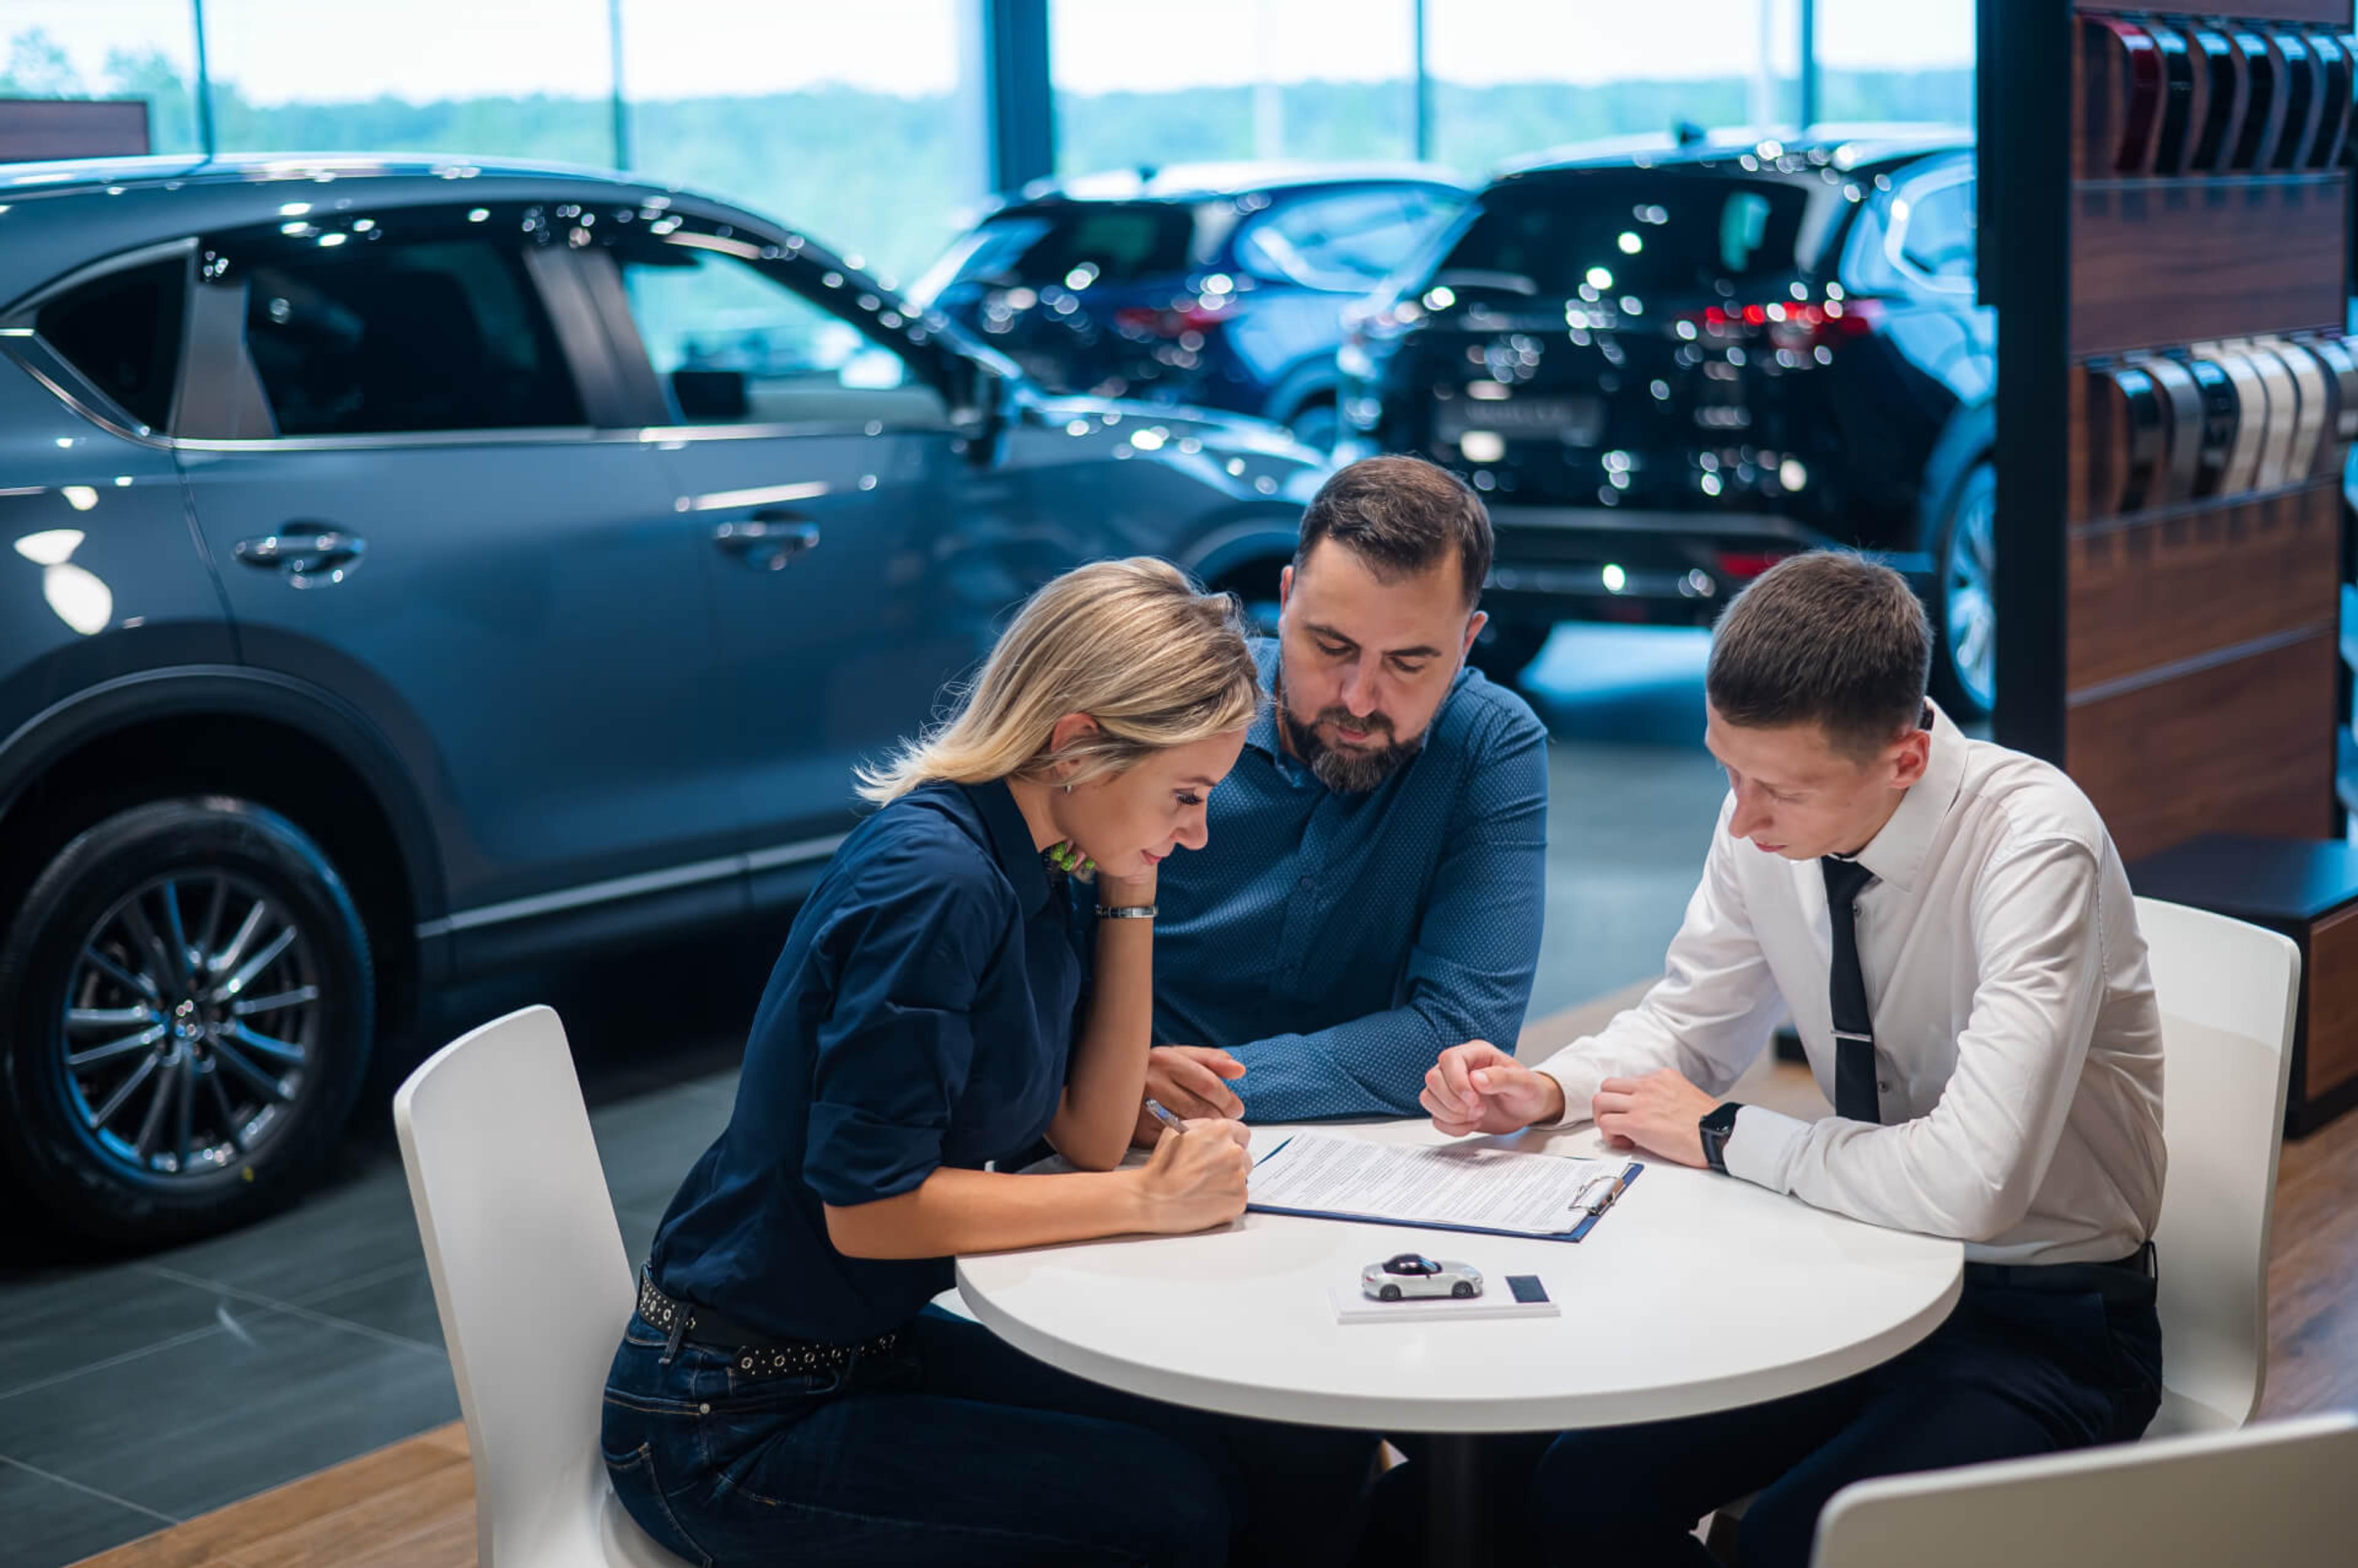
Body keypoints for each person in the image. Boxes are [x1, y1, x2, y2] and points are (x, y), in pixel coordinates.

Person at [601, 557, 1374, 1568]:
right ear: (1079, 744)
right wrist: (1150, 1203)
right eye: (1185, 795)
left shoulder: (1033, 849)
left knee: (1289, 1442)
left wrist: (1127, 886)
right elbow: (869, 1205)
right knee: (1168, 1510)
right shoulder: (940, 884)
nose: (1192, 834)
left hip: (858, 1350)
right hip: (728, 1414)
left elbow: (1089, 1137)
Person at [1422, 551, 2167, 1568]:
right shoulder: (1769, 819)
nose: (1739, 817)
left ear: (1904, 759)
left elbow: (1975, 1182)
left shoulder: (2034, 845)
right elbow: (1692, 1022)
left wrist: (1726, 1132)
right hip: (1853, 1272)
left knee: (1798, 1541)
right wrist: (1553, 1084)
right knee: (1583, 1487)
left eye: (1775, 788)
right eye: (1727, 768)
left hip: (2047, 1320)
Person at [1134, 454, 1551, 1137]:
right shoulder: (1180, 712)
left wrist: (1194, 1090)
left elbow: (1460, 1035)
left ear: (1468, 642)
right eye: (1330, 646)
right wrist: (1106, 1084)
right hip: (1107, 1139)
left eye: (1409, 663)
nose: (1359, 698)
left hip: (1340, 1162)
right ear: (1288, 597)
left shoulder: (1488, 746)